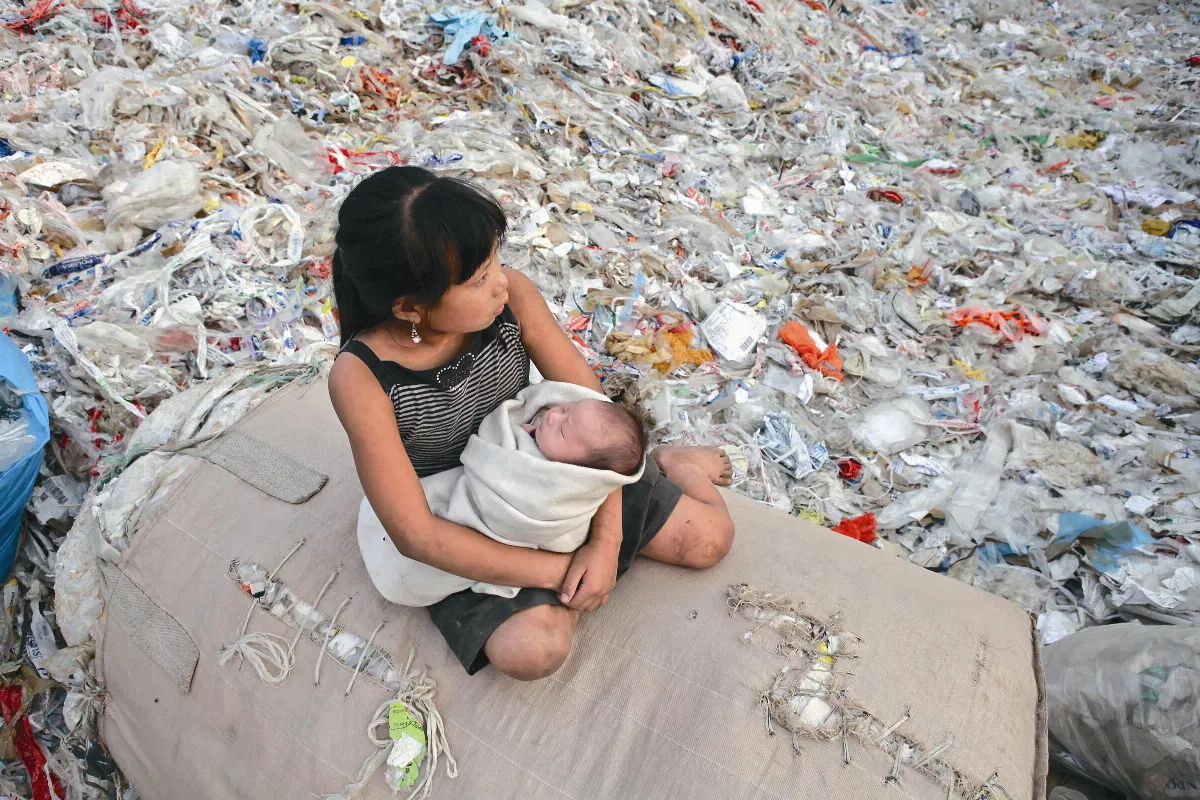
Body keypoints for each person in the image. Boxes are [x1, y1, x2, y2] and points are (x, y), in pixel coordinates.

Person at [329, 166, 735, 680]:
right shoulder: (362, 378)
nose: (501, 281)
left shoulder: (512, 297)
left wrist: (604, 543)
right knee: (533, 652)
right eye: (478, 279)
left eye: (496, 259)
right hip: (469, 514)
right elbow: (418, 536)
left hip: (560, 462)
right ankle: (549, 582)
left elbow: (590, 401)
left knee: (709, 540)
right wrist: (567, 569)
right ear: (410, 307)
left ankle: (668, 462)